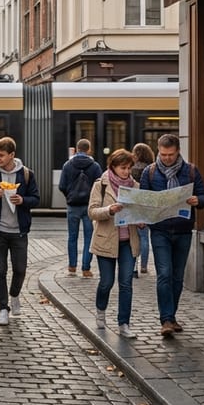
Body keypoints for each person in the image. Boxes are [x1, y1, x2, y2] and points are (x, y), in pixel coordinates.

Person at [139, 134, 204, 337]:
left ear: (178, 151)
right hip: (160, 231)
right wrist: (143, 214)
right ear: (158, 151)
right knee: (164, 274)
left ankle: (172, 316)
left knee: (178, 278)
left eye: (170, 154)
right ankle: (166, 320)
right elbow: (142, 199)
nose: (166, 158)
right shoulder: (149, 172)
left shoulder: (191, 171)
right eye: (162, 154)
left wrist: (198, 200)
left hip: (183, 230)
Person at [0, 136, 40, 325]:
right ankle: (3, 309)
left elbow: (36, 199)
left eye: (2, 155)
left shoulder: (27, 174)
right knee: (0, 270)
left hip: (19, 231)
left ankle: (14, 295)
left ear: (12, 155)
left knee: (20, 269)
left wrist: (23, 201)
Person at [88, 149, 141, 339]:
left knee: (126, 284)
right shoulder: (101, 185)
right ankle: (100, 311)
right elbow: (92, 212)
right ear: (113, 167)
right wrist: (109, 209)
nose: (126, 172)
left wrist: (142, 220)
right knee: (106, 282)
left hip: (128, 241)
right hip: (106, 241)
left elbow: (139, 213)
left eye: (128, 168)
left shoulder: (135, 186)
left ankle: (124, 324)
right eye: (122, 168)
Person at [58, 139, 103, 278]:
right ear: (89, 149)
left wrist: (70, 196)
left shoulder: (67, 165)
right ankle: (85, 268)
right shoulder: (95, 166)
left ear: (77, 149)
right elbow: (100, 186)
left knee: (72, 237)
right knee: (89, 237)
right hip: (89, 206)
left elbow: (61, 186)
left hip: (73, 206)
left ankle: (72, 267)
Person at [130, 142, 156, 277]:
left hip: (135, 205)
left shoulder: (132, 169)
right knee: (145, 237)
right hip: (148, 205)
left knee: (136, 237)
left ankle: (134, 264)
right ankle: (144, 266)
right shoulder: (152, 169)